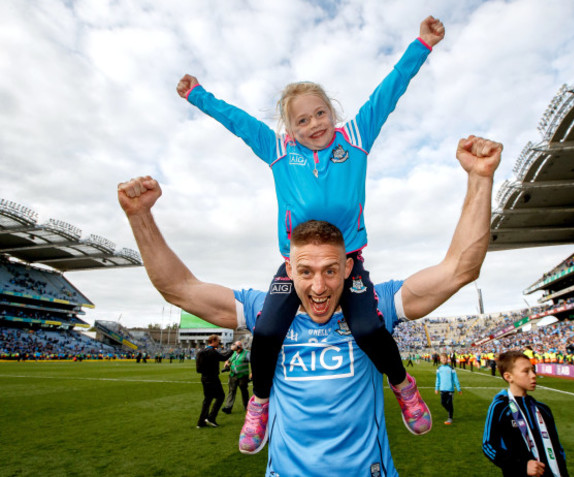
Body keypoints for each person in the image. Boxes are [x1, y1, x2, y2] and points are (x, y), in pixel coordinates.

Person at [117, 134, 501, 475]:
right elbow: (179, 288)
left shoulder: (377, 302)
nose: (319, 286)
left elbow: (459, 270)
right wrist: (141, 217)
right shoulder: (263, 309)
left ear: (349, 267)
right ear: (288, 269)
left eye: (331, 271)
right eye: (306, 271)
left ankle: (406, 389)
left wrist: (480, 178)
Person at [176, 16, 446, 452]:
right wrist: (197, 95)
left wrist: (423, 44)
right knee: (265, 333)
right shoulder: (279, 150)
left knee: (369, 329)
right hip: (297, 264)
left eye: (321, 113)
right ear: (290, 128)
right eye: (303, 120)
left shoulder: (355, 137)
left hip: (348, 262)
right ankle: (259, 404)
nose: (315, 123)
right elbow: (238, 121)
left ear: (332, 113)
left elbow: (391, 89)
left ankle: (403, 387)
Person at [483, 350, 569, 477]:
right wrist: (521, 466)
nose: (533, 375)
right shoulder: (500, 408)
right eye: (526, 371)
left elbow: (558, 450)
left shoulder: (543, 409)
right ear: (508, 377)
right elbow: (488, 446)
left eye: (533, 370)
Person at [195, 334, 233, 428]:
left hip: (204, 378)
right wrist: (232, 349)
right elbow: (224, 357)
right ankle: (211, 417)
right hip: (213, 378)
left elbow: (198, 369)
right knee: (220, 397)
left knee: (207, 400)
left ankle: (201, 422)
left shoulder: (201, 352)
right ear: (213, 341)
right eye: (218, 341)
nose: (219, 343)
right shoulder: (212, 351)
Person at [222, 341, 251, 415]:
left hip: (243, 376)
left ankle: (246, 406)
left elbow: (254, 362)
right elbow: (228, 359)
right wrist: (227, 362)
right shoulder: (233, 353)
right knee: (231, 391)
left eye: (239, 346)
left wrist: (252, 373)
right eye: (237, 346)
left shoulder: (246, 353)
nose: (238, 348)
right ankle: (228, 407)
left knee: (244, 391)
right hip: (233, 375)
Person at [435, 354, 461, 425]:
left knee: (450, 403)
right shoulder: (439, 368)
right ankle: (450, 411)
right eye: (442, 359)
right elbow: (438, 379)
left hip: (450, 389)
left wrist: (458, 388)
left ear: (447, 359)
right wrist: (436, 388)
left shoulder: (451, 368)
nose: (443, 360)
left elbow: (455, 378)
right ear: (440, 360)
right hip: (442, 389)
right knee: (443, 403)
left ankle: (450, 417)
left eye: (445, 359)